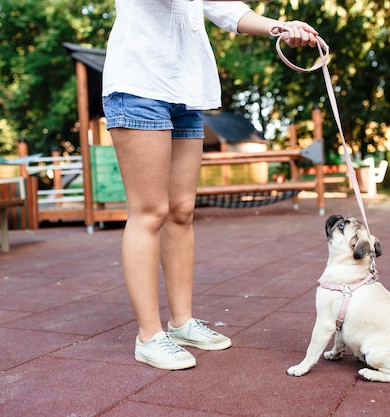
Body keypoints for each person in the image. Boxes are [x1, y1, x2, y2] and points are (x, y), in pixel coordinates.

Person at [102, 0, 318, 370]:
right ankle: (148, 336)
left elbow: (225, 8)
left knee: (182, 211)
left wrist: (280, 27)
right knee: (150, 212)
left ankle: (181, 323)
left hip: (186, 89)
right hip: (138, 86)